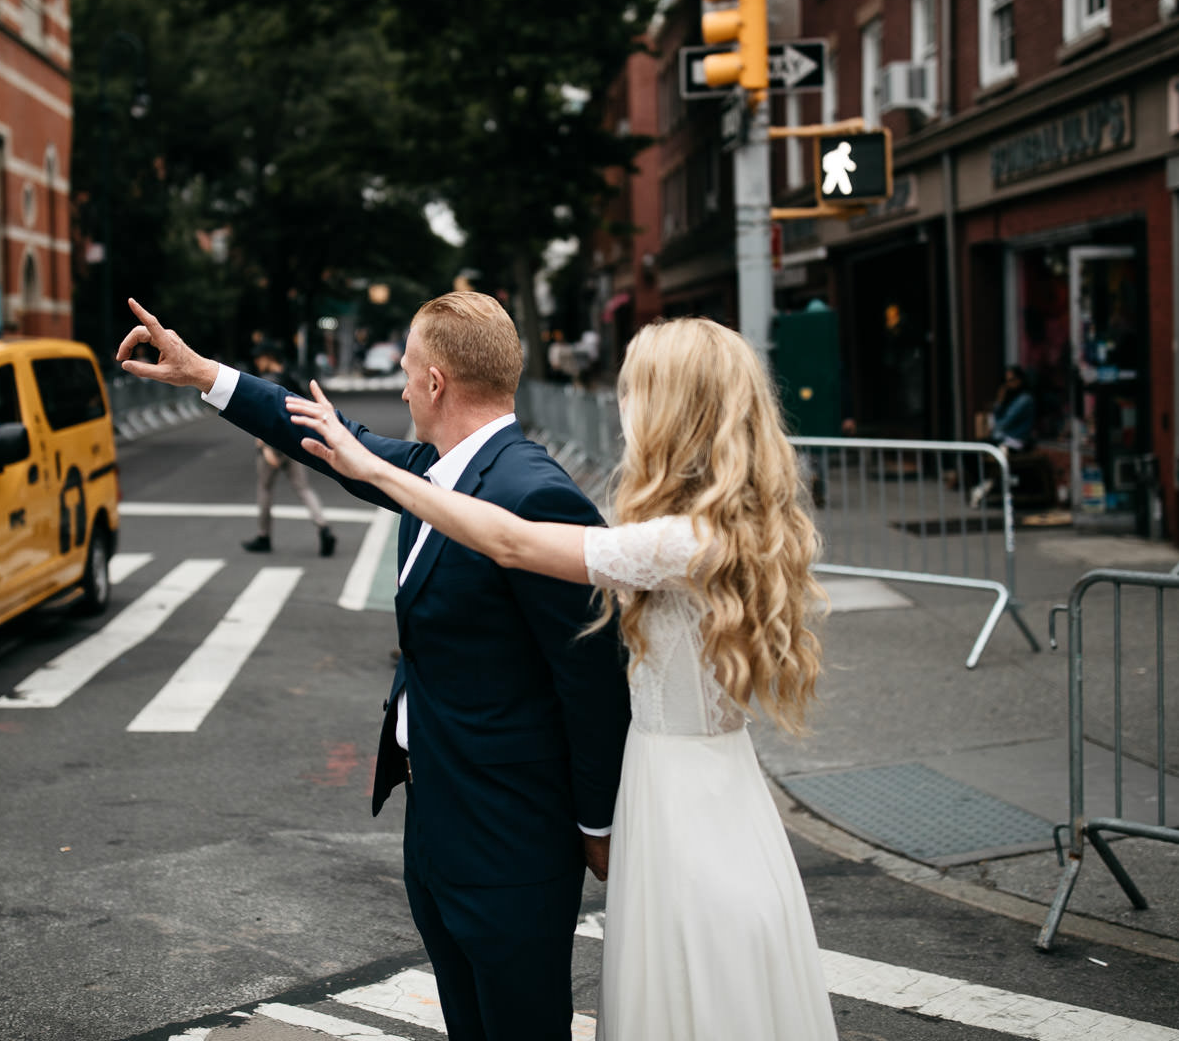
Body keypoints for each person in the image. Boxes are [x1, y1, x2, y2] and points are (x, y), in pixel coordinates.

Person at [287, 316, 838, 1041]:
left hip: (677, 801)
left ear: (674, 410)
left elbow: (512, 541)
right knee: (706, 988)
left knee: (689, 986)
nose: (621, 408)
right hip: (714, 785)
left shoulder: (684, 543)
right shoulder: (719, 528)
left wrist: (382, 473)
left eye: (634, 392)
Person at [118, 292, 629, 1041]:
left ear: (435, 385)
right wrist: (205, 375)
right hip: (439, 827)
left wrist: (599, 824)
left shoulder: (534, 492)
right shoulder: (436, 469)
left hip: (510, 842)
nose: (397, 387)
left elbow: (589, 680)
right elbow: (330, 441)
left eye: (406, 371)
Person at [240, 341, 336, 557]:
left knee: (265, 489)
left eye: (259, 358)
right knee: (303, 489)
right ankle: (323, 527)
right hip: (293, 441)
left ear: (267, 357)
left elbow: (261, 418)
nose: (257, 362)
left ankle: (263, 536)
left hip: (272, 444)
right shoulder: (291, 378)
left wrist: (265, 448)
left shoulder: (264, 382)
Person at [968, 366, 1036, 508]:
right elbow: (997, 420)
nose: (1009, 385)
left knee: (978, 452)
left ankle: (986, 484)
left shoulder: (1025, 399)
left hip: (1014, 442)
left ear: (1020, 380)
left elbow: (1003, 423)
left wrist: (999, 409)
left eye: (1012, 380)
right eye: (1006, 381)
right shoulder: (1010, 398)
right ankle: (983, 483)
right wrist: (1000, 400)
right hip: (1002, 439)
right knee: (971, 451)